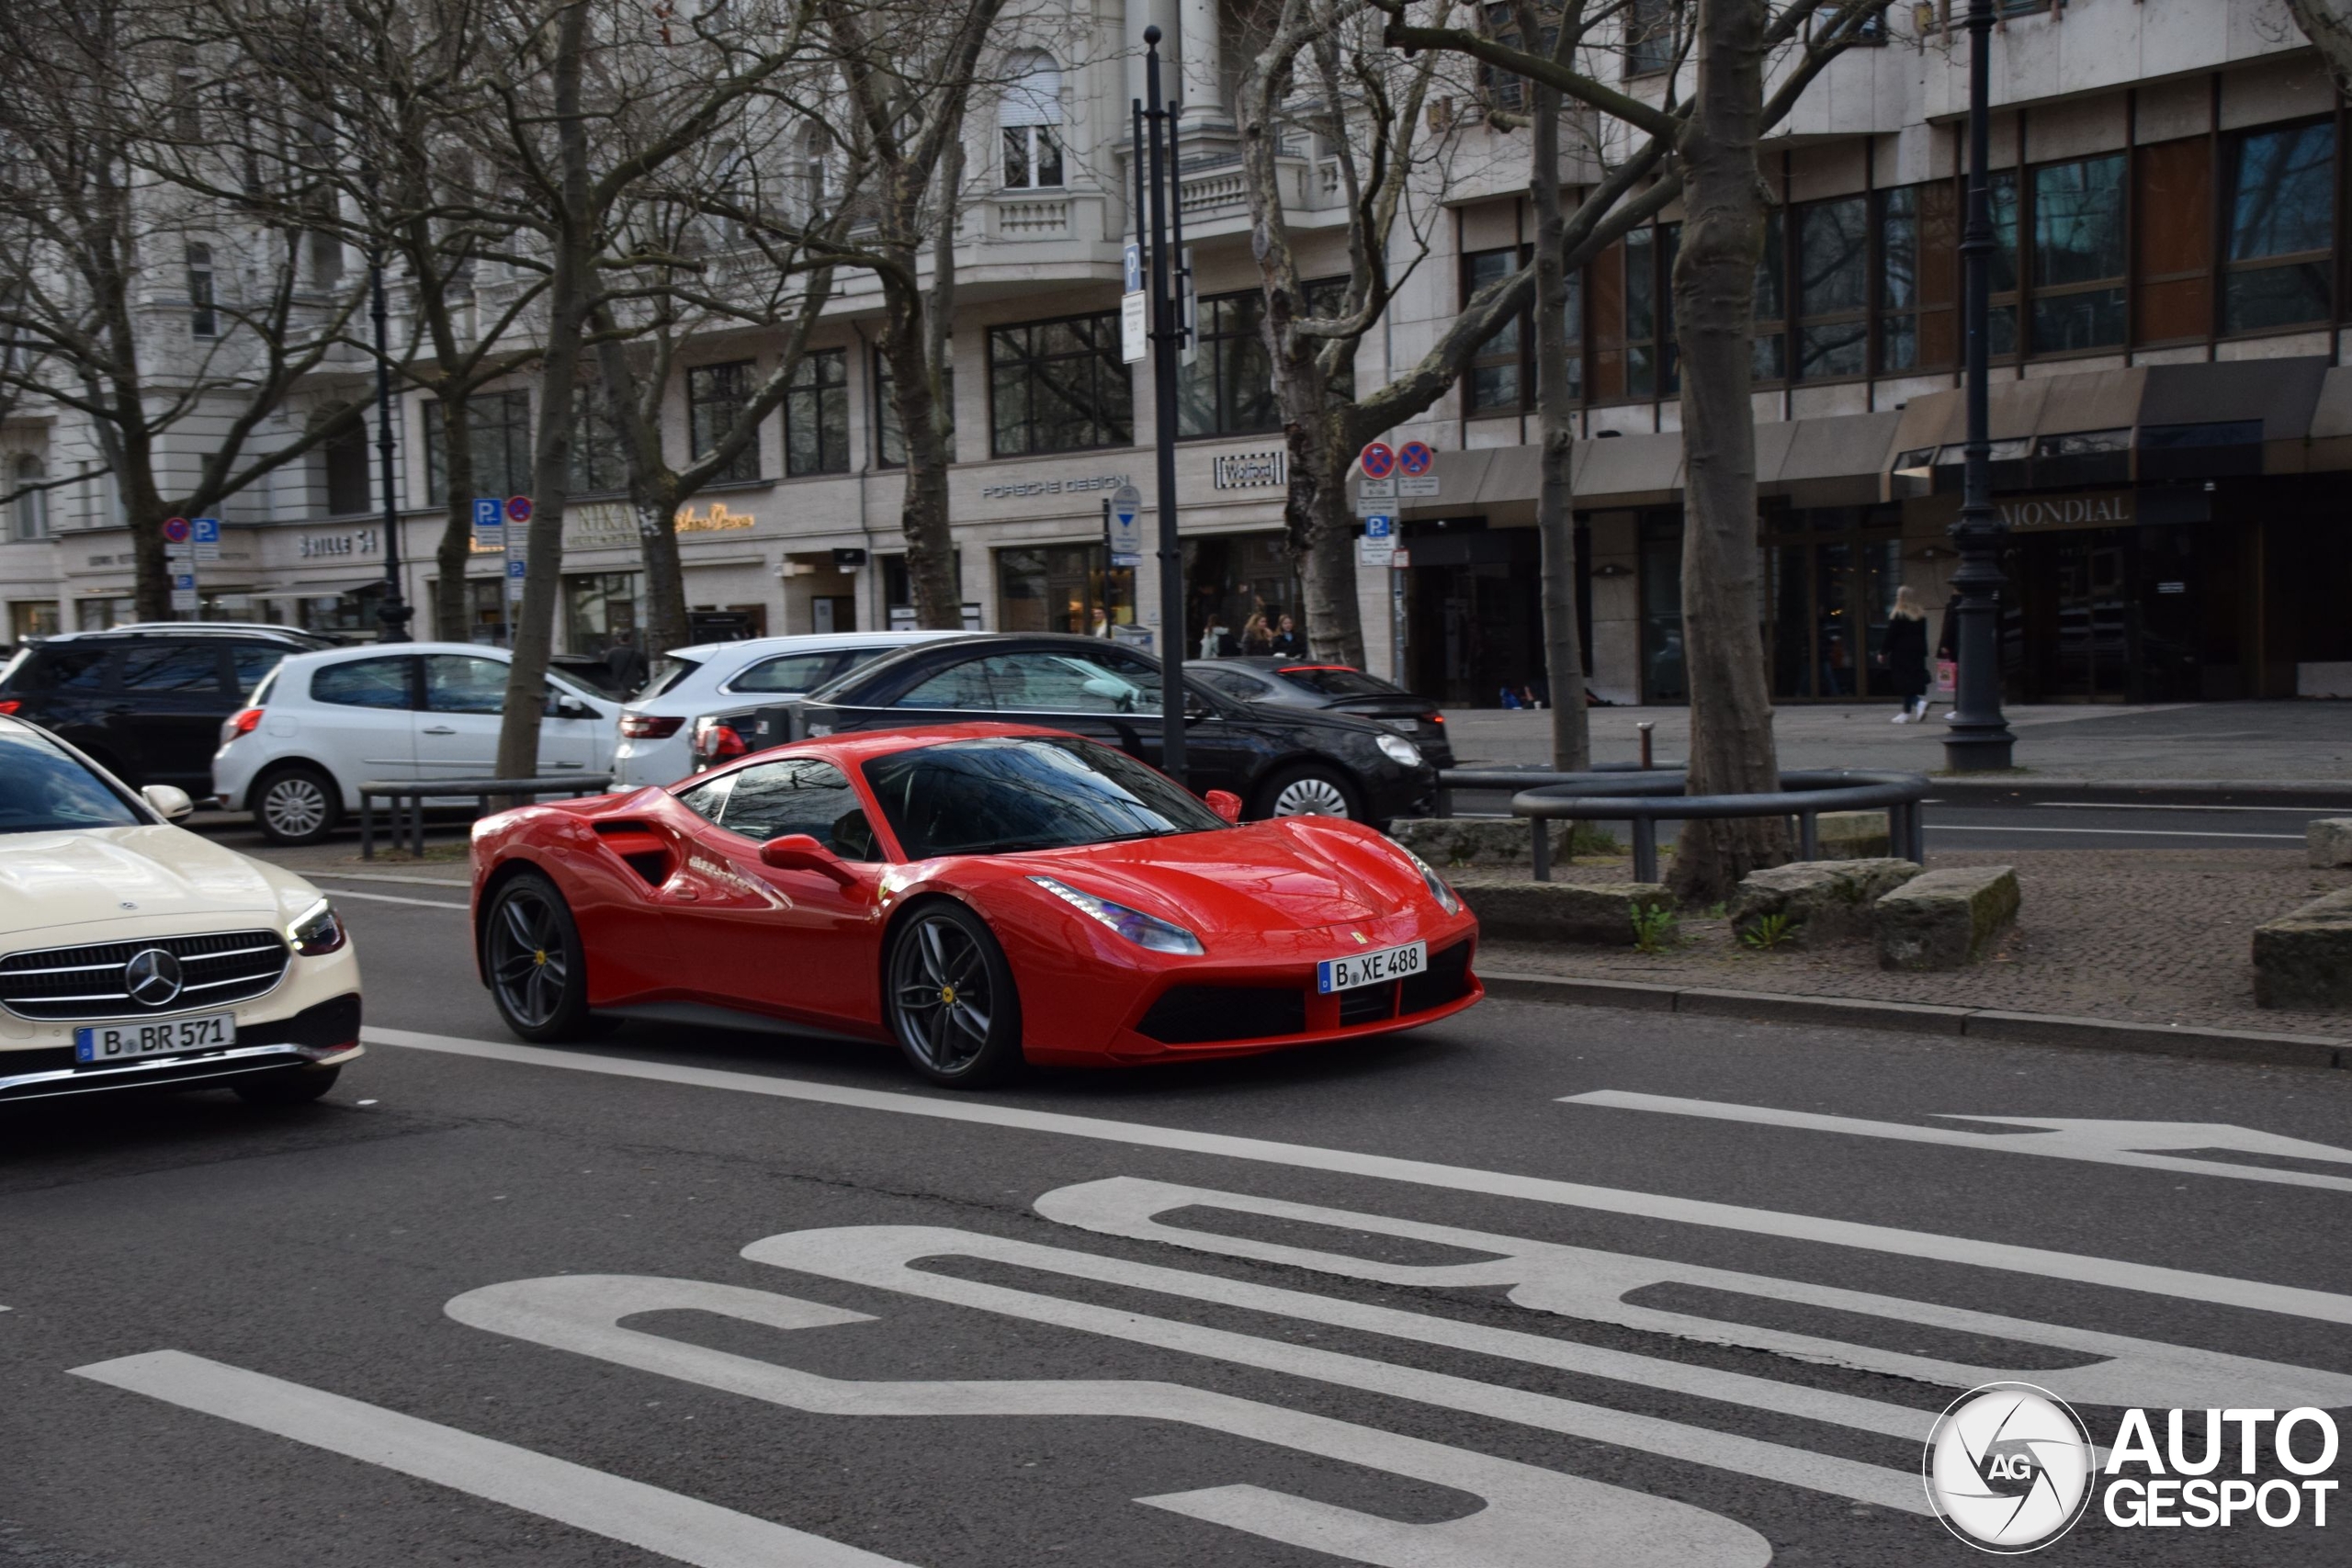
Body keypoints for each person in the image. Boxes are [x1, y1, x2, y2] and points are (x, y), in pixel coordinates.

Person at [1878, 585, 1931, 722]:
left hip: (1901, 654)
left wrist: (1883, 652)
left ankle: (1918, 703)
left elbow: (1891, 635)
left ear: (1900, 598)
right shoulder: (1920, 615)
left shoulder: (1899, 615)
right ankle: (1905, 713)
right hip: (1917, 654)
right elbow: (1923, 636)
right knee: (1910, 682)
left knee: (1903, 682)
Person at [605, 627, 648, 696]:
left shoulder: (611, 653)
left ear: (619, 639)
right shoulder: (637, 654)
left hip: (616, 687)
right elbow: (646, 672)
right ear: (631, 639)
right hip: (633, 687)